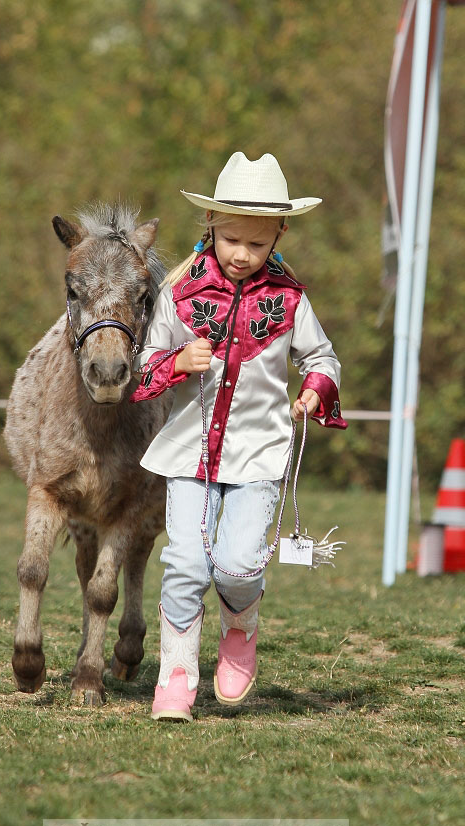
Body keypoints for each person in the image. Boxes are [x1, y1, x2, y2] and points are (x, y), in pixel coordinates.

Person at [130, 152, 347, 721]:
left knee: (235, 567)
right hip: (190, 454)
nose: (242, 254)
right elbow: (146, 366)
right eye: (231, 240)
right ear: (210, 228)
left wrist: (316, 388)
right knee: (185, 566)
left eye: (256, 242)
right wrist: (178, 361)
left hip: (257, 452)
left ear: (280, 231)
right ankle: (175, 678)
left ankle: (241, 623)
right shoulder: (178, 297)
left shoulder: (291, 300)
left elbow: (322, 356)